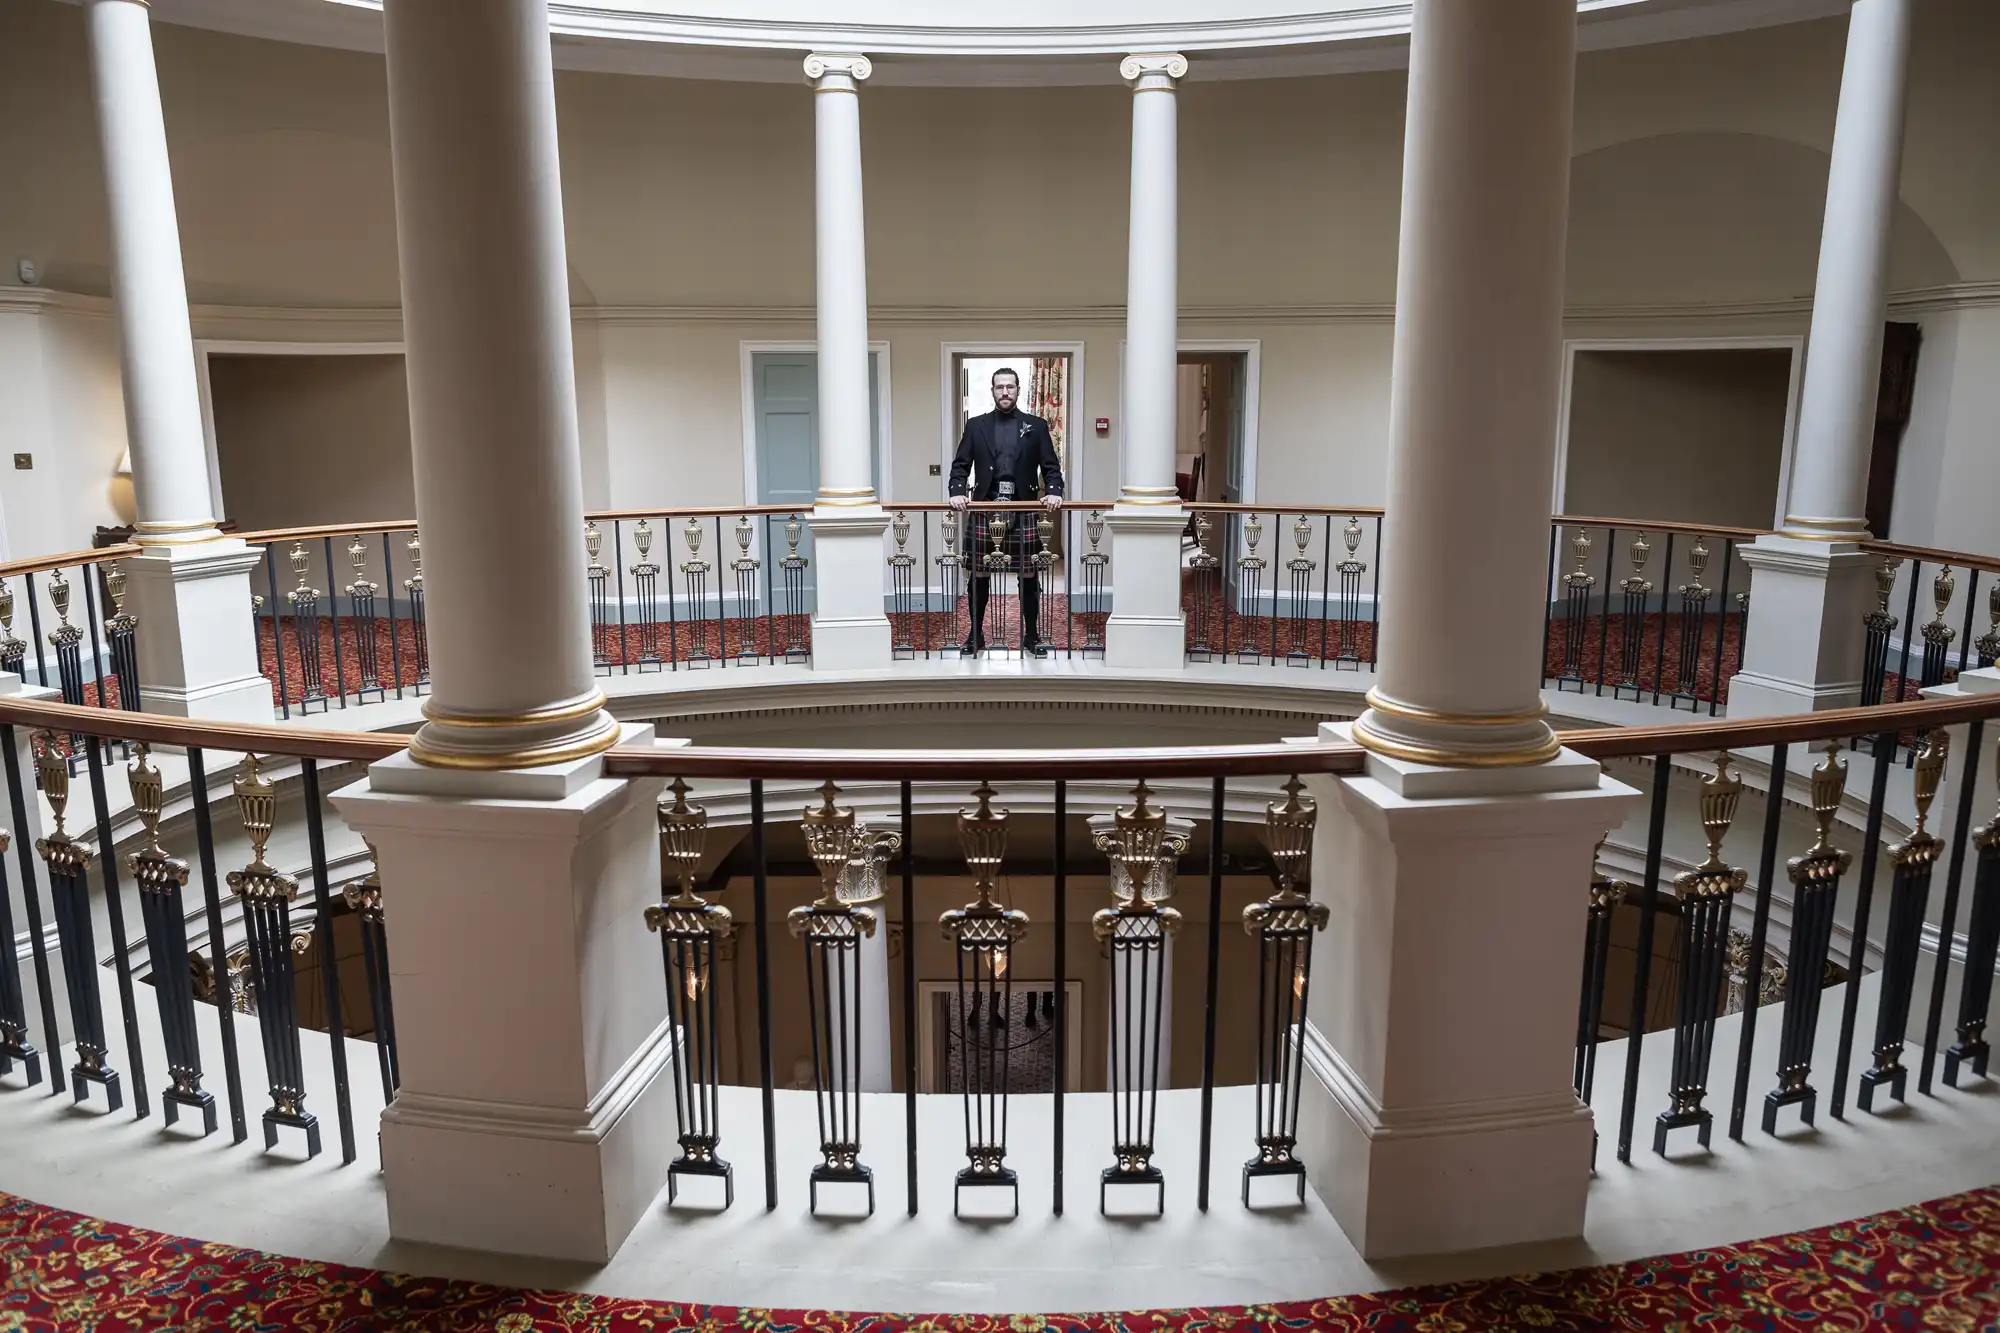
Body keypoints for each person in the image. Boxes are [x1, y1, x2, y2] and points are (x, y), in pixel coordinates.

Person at [948, 367, 1065, 656]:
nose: (1005, 392)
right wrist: (957, 491)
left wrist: (1054, 491)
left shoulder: (1035, 426)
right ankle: (975, 636)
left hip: (1023, 507)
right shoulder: (976, 426)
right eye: (999, 387)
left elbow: (1051, 467)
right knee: (978, 575)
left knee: (1028, 576)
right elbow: (960, 465)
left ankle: (1032, 637)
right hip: (985, 508)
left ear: (1018, 389)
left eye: (1010, 387)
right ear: (992, 391)